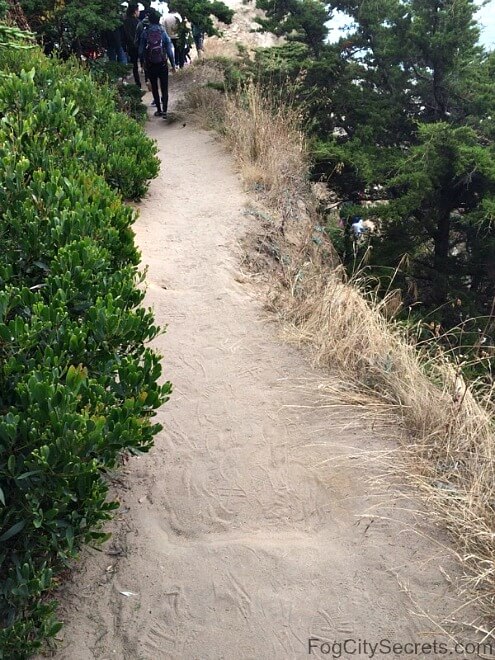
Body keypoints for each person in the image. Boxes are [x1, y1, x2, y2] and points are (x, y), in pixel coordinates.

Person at [139, 9, 176, 118]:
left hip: (150, 65)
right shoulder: (163, 32)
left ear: (149, 20)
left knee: (155, 87)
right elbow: (169, 51)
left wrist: (143, 63)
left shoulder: (145, 33)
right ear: (158, 20)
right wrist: (173, 65)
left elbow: (141, 51)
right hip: (163, 64)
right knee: (164, 87)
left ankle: (158, 110)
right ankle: (165, 110)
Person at [123, 3, 141, 87]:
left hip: (130, 46)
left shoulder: (125, 21)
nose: (139, 12)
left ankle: (138, 83)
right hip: (139, 46)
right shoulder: (138, 22)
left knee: (134, 66)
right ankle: (147, 81)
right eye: (138, 10)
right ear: (135, 11)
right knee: (143, 63)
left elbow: (126, 34)